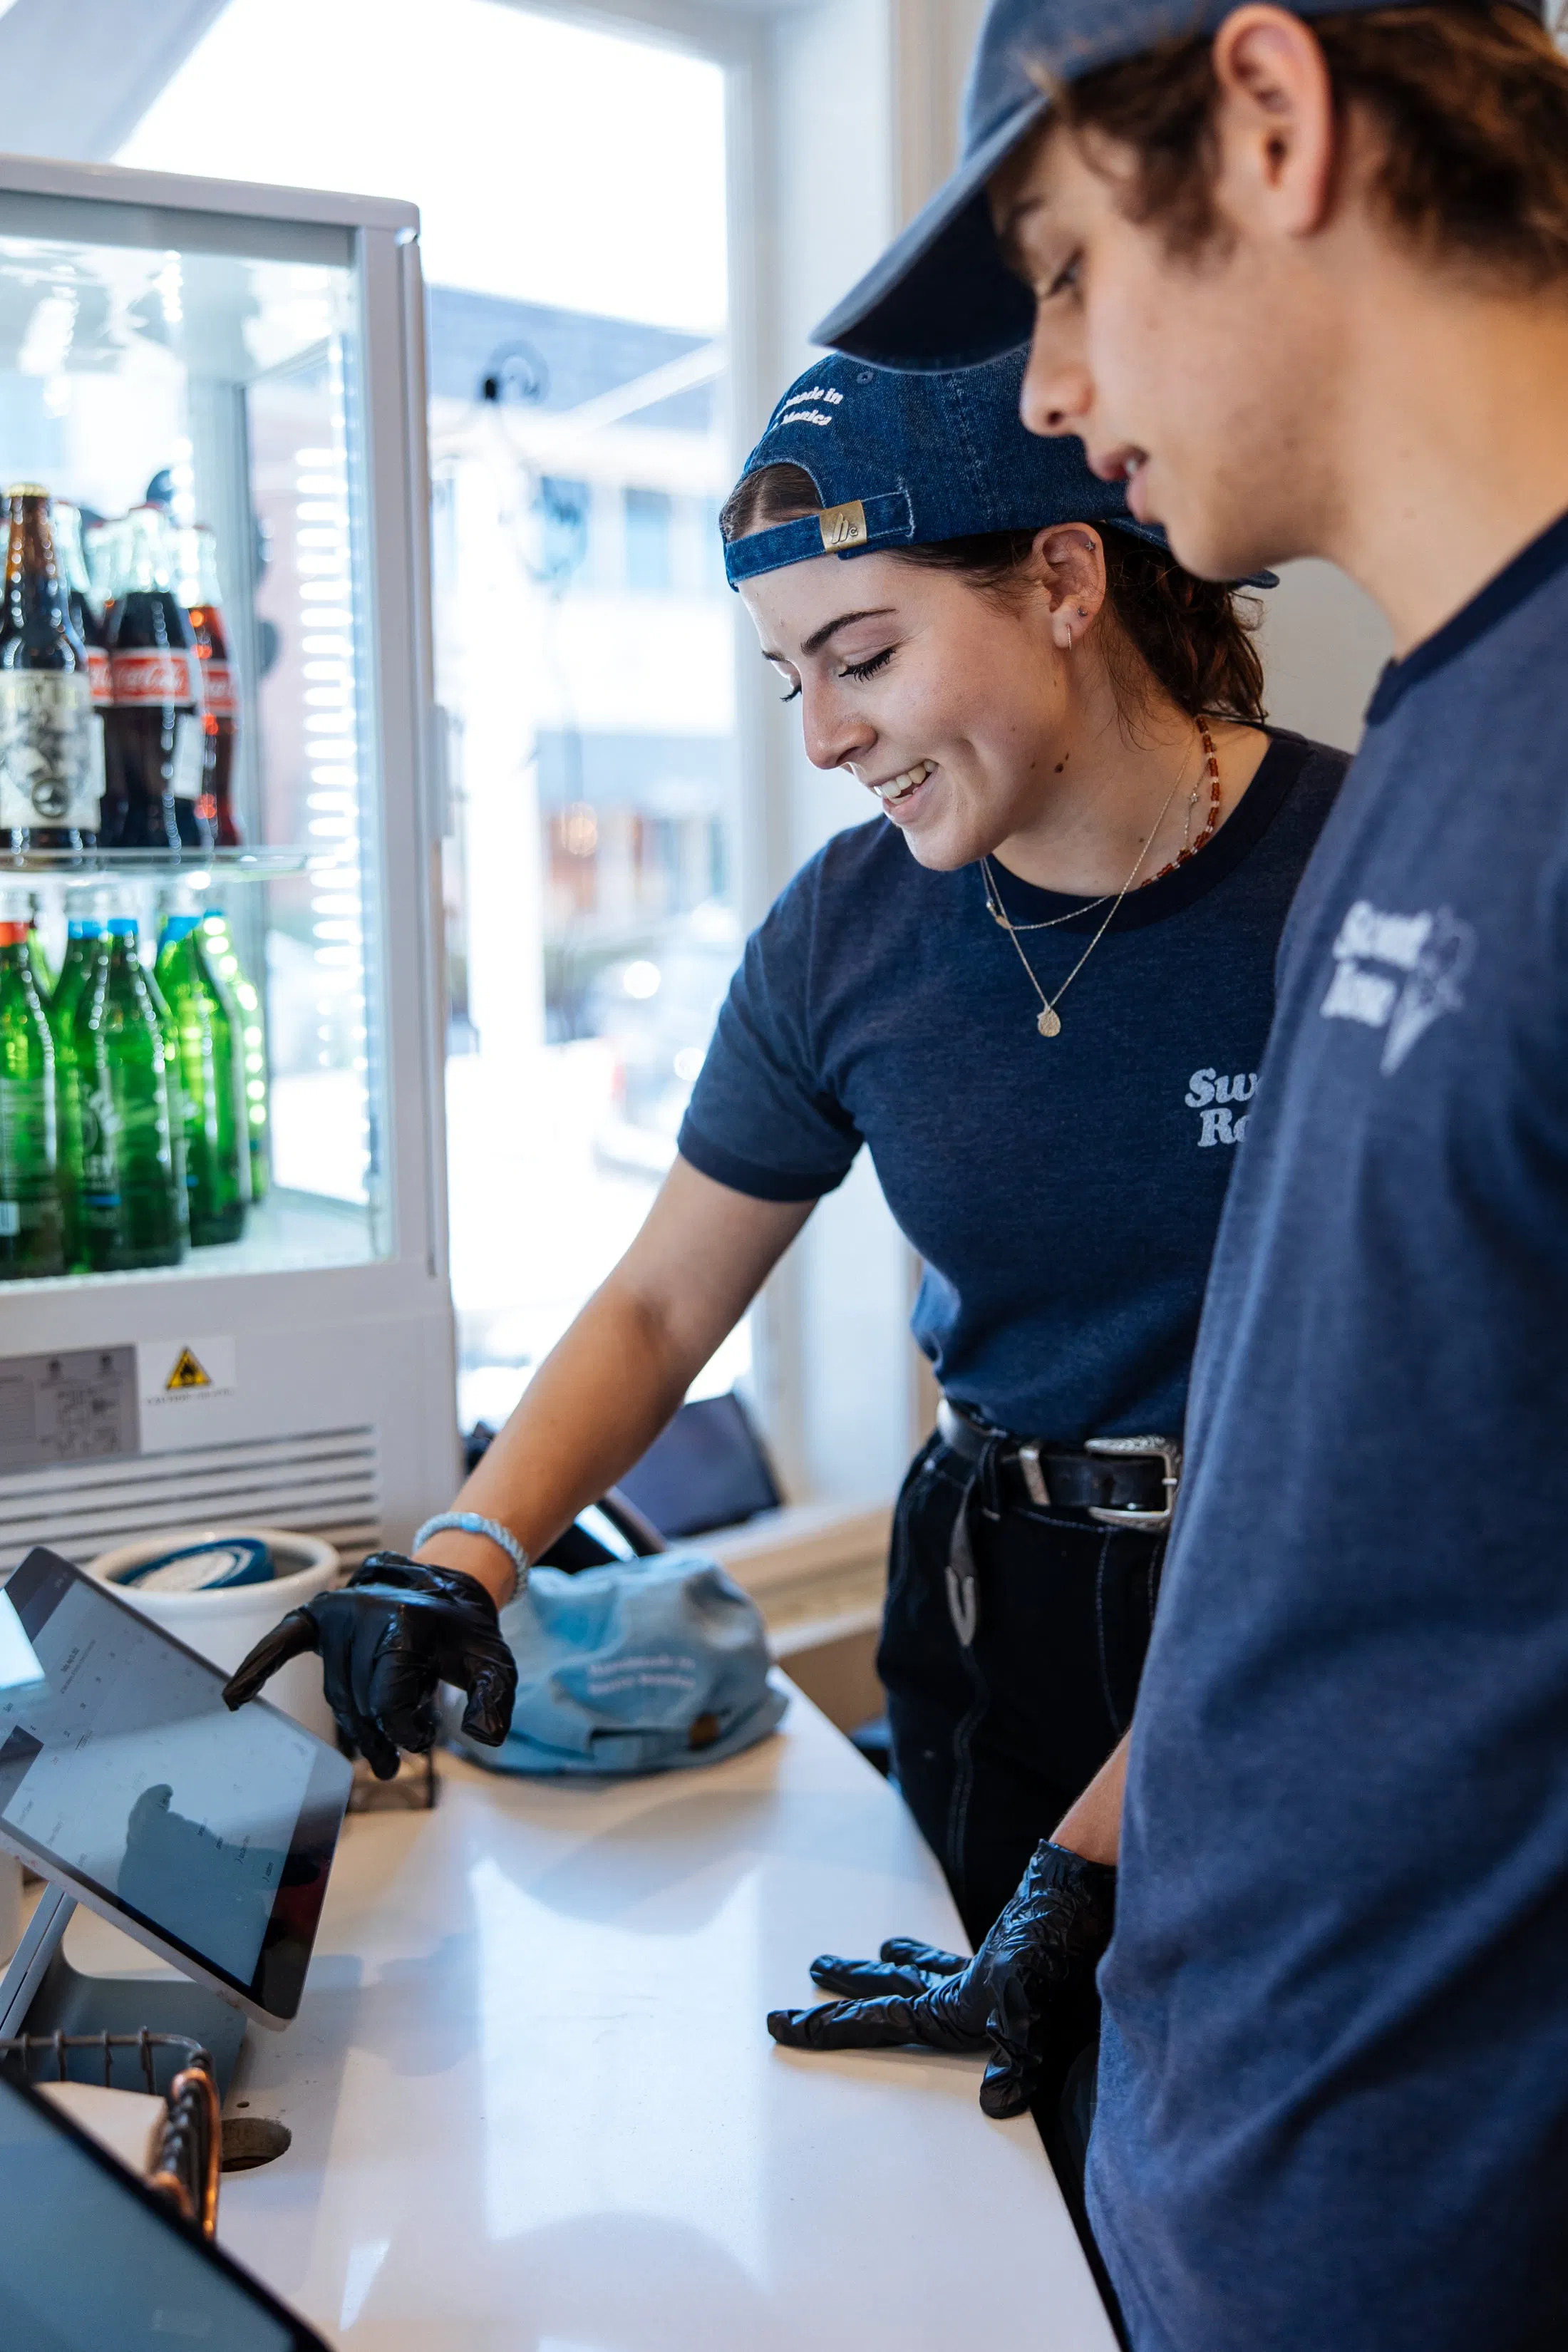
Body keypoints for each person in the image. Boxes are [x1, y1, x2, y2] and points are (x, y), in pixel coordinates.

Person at [225, 348, 1342, 1982]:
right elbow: (664, 1307)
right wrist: (459, 1552)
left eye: (862, 656)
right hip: (992, 1602)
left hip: (1295, 1595)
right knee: (990, 2154)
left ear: (1059, 577)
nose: (823, 737)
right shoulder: (846, 933)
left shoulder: (1355, 882)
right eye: (786, 679)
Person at [792, 2, 1568, 2349]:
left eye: (1063, 268)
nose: (1042, 383)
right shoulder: (1446, 734)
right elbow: (1365, 1516)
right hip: (1242, 2188)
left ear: (1271, 115)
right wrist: (1093, 1866)